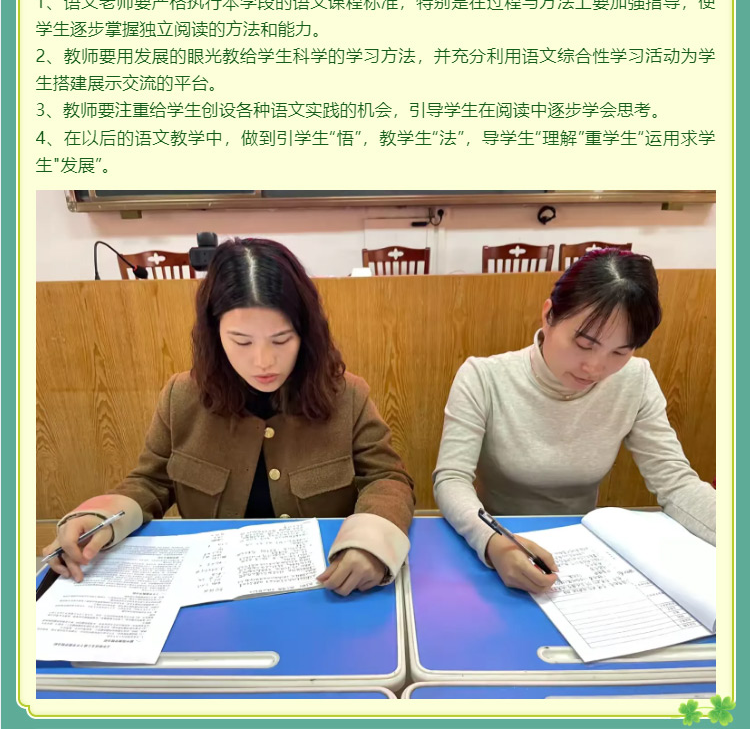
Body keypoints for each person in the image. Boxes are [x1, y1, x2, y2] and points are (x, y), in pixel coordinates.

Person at [43, 238, 415, 596]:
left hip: (323, 582)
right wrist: (101, 518)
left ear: (306, 334)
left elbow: (387, 478)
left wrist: (371, 544)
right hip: (210, 586)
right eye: (241, 341)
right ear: (215, 333)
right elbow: (151, 482)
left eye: (281, 340)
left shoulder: (346, 395)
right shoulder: (182, 396)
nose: (263, 361)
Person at [433, 248, 716, 593]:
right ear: (548, 315)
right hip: (499, 542)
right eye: (584, 344)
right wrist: (493, 542)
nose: (595, 368)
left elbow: (676, 483)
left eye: (620, 352)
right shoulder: (484, 377)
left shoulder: (635, 379)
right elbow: (451, 479)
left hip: (584, 554)